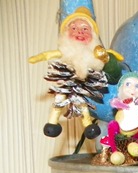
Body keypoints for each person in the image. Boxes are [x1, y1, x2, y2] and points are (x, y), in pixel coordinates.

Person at [28, 7, 123, 139]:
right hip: (66, 81)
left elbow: (114, 58)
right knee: (59, 99)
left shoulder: (94, 55)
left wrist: (107, 57)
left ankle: (88, 125)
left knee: (82, 103)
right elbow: (48, 55)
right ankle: (52, 123)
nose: (80, 32)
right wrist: (37, 58)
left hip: (83, 85)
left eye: (85, 29)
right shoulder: (66, 51)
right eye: (74, 28)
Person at [100, 72, 138, 152]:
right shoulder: (121, 102)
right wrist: (124, 105)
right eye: (128, 84)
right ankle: (114, 150)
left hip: (136, 132)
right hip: (121, 132)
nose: (132, 89)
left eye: (137, 86)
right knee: (112, 125)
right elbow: (113, 103)